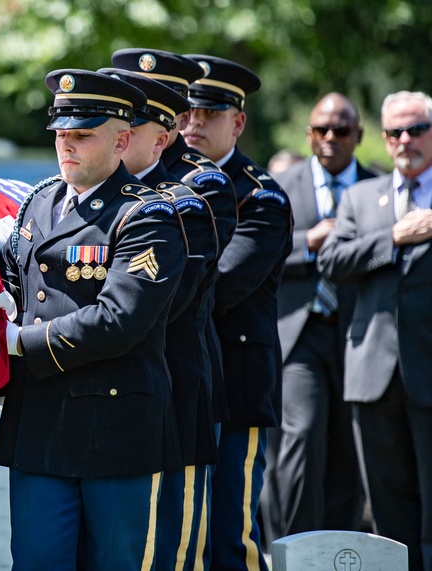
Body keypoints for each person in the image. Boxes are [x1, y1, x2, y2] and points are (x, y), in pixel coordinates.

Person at [0, 68, 185, 570]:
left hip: (113, 430)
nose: (67, 146)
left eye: (83, 135)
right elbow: (14, 281)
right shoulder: (40, 201)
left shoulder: (147, 216)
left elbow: (119, 318)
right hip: (39, 424)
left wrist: (18, 341)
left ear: (122, 140)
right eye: (61, 133)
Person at [104, 67, 220, 571]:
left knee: (172, 544)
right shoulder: (76, 198)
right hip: (108, 389)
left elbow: (163, 305)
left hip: (174, 383)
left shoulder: (185, 200)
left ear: (161, 136)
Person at [182, 54, 293, 570]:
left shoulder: (261, 198)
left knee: (230, 539)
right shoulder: (171, 187)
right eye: (185, 113)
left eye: (209, 115)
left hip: (235, 383)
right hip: (184, 378)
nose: (193, 124)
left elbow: (220, 285)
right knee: (183, 535)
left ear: (238, 122)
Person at [318, 91, 432, 571]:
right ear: (383, 139)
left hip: (428, 370)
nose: (405, 140)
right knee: (387, 510)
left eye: (417, 129)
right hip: (372, 373)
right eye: (394, 132)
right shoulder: (362, 196)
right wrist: (392, 236)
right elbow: (331, 260)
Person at [261, 93, 371, 544]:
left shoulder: (378, 187)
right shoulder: (276, 186)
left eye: (341, 130)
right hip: (299, 334)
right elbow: (255, 255)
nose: (330, 139)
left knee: (350, 448)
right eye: (321, 130)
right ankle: (298, 549)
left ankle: (343, 549)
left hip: (358, 337)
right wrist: (309, 241)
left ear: (359, 136)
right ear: (308, 135)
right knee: (301, 438)